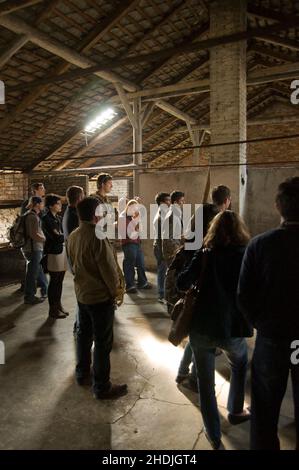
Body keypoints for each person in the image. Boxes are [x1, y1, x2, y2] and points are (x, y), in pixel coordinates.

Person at [177, 211, 252, 450]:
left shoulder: (205, 254)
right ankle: (236, 409)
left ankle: (214, 434)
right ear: (239, 230)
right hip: (232, 326)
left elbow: (181, 282)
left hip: (202, 326)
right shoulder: (246, 254)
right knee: (239, 364)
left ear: (213, 230)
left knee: (205, 384)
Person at [237, 176, 299, 450]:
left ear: (278, 206)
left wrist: (261, 324)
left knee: (264, 409)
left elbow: (244, 296)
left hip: (272, 338)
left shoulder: (260, 245)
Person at [67, 196, 127, 399]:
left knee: (83, 336)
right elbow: (109, 271)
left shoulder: (74, 236)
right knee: (102, 342)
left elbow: (72, 265)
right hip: (100, 298)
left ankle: (82, 373)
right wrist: (115, 293)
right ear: (96, 215)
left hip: (82, 295)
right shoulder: (98, 236)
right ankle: (102, 386)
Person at [175, 203, 219, 392]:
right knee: (200, 340)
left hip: (193, 295)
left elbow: (183, 277)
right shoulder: (206, 246)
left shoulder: (191, 240)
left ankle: (183, 371)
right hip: (202, 297)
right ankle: (193, 377)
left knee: (195, 338)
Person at [42, 194, 68, 319]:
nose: (60, 205)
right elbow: (58, 237)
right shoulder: (46, 219)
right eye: (58, 203)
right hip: (53, 252)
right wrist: (65, 236)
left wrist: (63, 236)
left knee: (60, 280)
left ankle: (58, 305)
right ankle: (53, 309)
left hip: (61, 250)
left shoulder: (58, 217)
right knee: (54, 281)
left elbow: (61, 235)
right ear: (51, 205)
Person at [62, 186, 84, 335]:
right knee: (82, 296)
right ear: (80, 197)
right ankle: (79, 327)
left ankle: (79, 325)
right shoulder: (74, 216)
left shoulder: (68, 213)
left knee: (82, 294)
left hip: (73, 258)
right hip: (77, 259)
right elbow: (78, 240)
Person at [119, 199, 151, 294]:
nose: (135, 211)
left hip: (136, 243)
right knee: (129, 264)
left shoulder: (132, 217)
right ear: (128, 207)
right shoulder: (122, 217)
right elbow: (130, 233)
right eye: (133, 208)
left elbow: (139, 230)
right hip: (129, 243)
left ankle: (142, 283)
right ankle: (130, 285)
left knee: (141, 263)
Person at [22, 196, 48, 305]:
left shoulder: (29, 215)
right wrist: (44, 239)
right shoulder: (32, 216)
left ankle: (45, 290)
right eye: (42, 203)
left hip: (34, 248)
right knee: (32, 273)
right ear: (37, 204)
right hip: (33, 249)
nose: (43, 205)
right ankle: (29, 296)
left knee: (39, 269)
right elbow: (33, 234)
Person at [153, 192, 171, 303]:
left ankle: (162, 293)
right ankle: (161, 294)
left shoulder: (163, 213)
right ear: (161, 202)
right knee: (162, 269)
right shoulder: (162, 215)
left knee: (163, 270)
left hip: (160, 245)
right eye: (167, 200)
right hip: (160, 246)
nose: (170, 203)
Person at [162, 190, 185, 267]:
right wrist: (177, 250)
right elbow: (167, 237)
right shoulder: (172, 215)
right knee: (173, 275)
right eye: (181, 201)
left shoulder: (176, 214)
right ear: (175, 202)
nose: (183, 203)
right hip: (172, 252)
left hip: (175, 250)